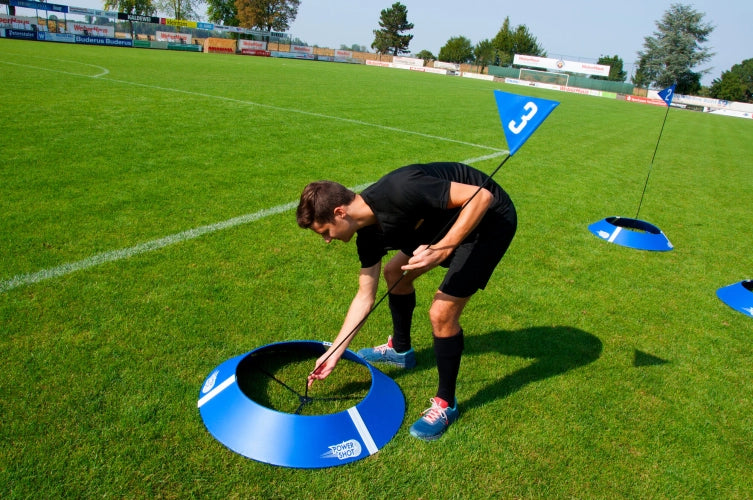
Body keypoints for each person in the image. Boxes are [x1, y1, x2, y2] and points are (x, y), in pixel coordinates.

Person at [296, 162, 517, 441]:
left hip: (490, 219)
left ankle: (446, 404)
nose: (327, 240)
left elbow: (482, 197)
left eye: (325, 231)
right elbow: (365, 296)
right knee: (393, 273)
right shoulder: (368, 235)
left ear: (340, 213)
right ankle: (401, 351)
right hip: (444, 218)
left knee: (441, 313)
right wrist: (335, 351)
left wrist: (443, 247)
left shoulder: (400, 190)